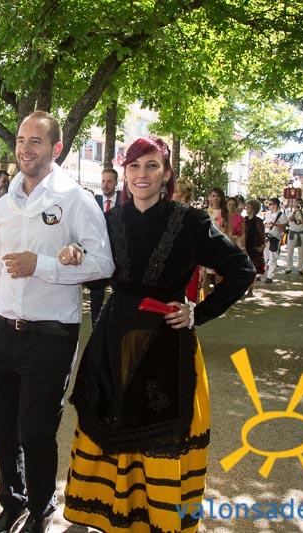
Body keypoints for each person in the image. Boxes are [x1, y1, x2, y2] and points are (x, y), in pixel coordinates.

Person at [63, 136, 254, 533]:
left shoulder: (191, 222)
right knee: (107, 417)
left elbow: (241, 269)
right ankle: (107, 515)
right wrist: (75, 254)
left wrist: (199, 311)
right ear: (124, 174)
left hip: (165, 343)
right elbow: (96, 275)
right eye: (134, 166)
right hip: (114, 338)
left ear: (167, 174)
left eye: (151, 165)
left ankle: (156, 519)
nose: (142, 174)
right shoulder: (110, 220)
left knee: (157, 430)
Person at [0, 111, 114, 533]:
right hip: (4, 330)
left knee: (35, 431)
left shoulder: (76, 200)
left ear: (56, 149)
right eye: (21, 140)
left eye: (35, 141)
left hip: (51, 335)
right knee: (0, 427)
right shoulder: (4, 204)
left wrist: (41, 265)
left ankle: (40, 508)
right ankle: (13, 500)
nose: (25, 148)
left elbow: (103, 263)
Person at [89, 168, 121, 324]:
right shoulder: (93, 201)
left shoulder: (124, 201)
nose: (105, 185)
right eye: (103, 181)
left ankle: (116, 327)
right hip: (98, 256)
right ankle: (95, 328)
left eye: (109, 181)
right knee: (96, 297)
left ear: (116, 182)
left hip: (119, 258)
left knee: (119, 296)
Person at [244, 198, 266, 294]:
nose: (246, 209)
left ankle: (251, 287)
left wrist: (263, 245)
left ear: (253, 209)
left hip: (254, 247)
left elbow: (262, 234)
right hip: (245, 246)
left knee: (253, 268)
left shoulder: (258, 221)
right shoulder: (244, 220)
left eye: (248, 207)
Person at [263, 198, 287, 283]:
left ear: (276, 205)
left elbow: (283, 228)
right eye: (269, 204)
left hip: (275, 238)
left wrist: (274, 224)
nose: (269, 206)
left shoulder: (282, 215)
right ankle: (261, 273)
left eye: (271, 204)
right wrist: (266, 224)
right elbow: (264, 223)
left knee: (273, 257)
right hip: (266, 237)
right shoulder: (268, 213)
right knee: (264, 256)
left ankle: (269, 276)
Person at [285, 204, 303, 275]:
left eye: (300, 204)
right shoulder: (291, 213)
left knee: (302, 252)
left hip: (301, 234)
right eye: (297, 204)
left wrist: (301, 212)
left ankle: (300, 268)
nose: (298, 206)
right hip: (292, 234)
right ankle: (289, 267)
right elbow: (290, 219)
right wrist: (294, 212)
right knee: (290, 251)